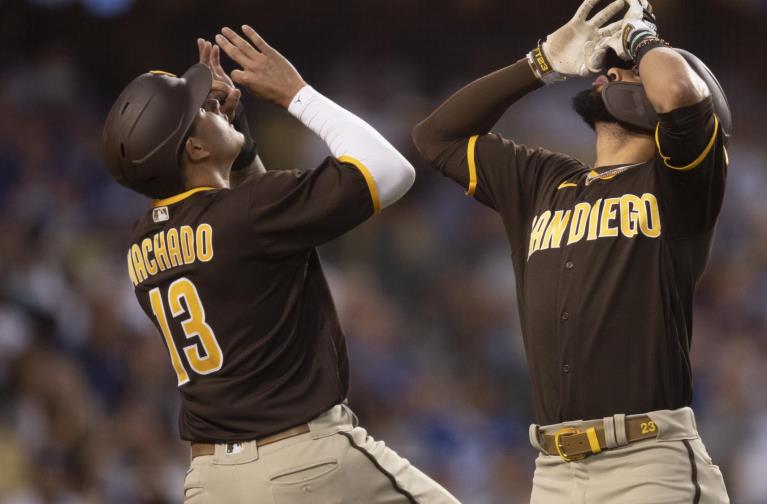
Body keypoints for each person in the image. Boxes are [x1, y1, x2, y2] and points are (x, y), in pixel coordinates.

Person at [102, 25, 459, 504]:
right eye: (200, 112)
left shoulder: (142, 241)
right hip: (305, 462)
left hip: (211, 482)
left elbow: (259, 233)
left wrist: (239, 140)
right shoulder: (248, 214)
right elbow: (390, 169)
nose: (212, 106)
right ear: (195, 149)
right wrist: (297, 93)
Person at [412, 0, 731, 501]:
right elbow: (435, 136)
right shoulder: (545, 180)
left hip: (648, 465)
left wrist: (641, 38)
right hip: (555, 472)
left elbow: (679, 93)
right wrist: (539, 64)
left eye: (624, 71)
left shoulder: (680, 184)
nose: (605, 70)